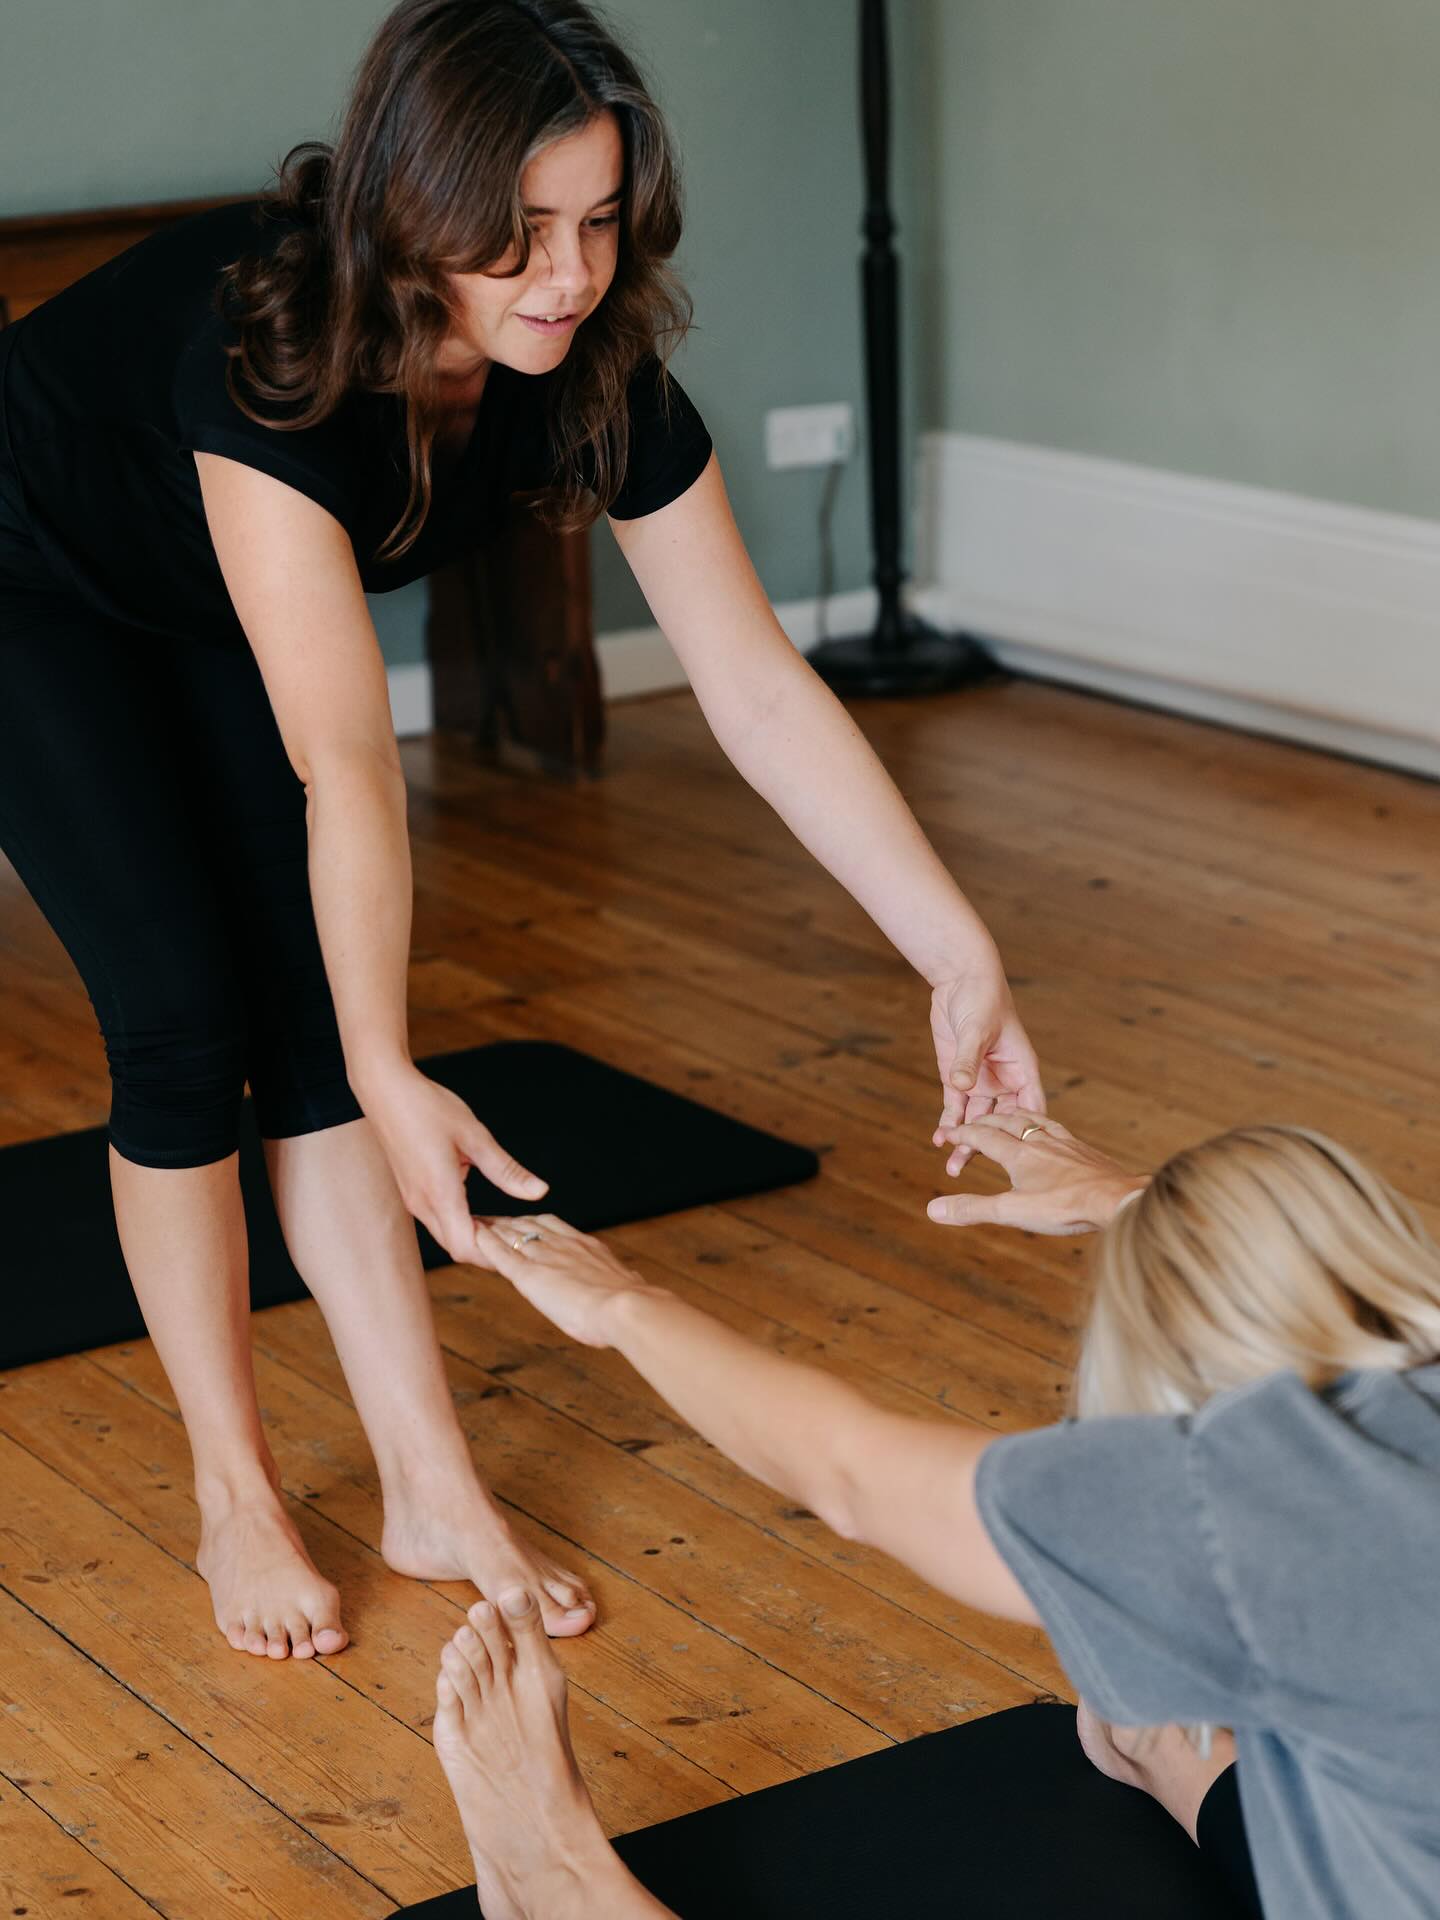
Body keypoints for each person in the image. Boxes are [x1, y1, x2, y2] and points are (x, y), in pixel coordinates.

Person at [0, 0, 1040, 1662]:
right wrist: (405, 1060)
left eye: (601, 222)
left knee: (325, 1040)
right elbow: (349, 762)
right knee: (188, 1023)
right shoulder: (274, 365)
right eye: (522, 234)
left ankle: (427, 1480)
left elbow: (757, 690)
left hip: (206, 593)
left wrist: (957, 947)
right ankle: (232, 1494)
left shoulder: (594, 374)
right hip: (34, 569)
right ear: (416, 211)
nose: (568, 273)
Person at [416, 1113, 1440, 1919]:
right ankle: (1166, 1754)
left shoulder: (1230, 1505)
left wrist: (618, 1304)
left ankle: (565, 1890)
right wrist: (1166, 1214)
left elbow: (846, 1471)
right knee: (1209, 1738)